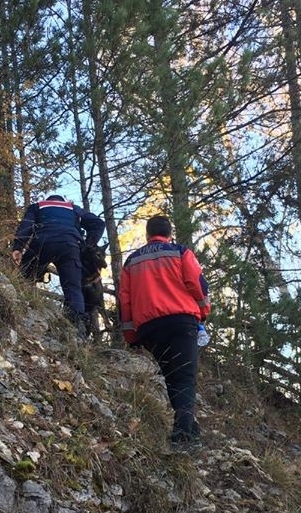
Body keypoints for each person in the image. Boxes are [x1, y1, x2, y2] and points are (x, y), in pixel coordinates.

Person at [119, 214, 210, 452]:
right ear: (169, 234)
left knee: (171, 376)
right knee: (185, 377)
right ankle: (183, 435)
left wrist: (131, 336)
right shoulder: (180, 252)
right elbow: (197, 284)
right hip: (182, 321)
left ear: (148, 235)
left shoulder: (131, 262)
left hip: (150, 329)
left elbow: (125, 303)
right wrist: (203, 311)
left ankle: (189, 428)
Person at [12, 194, 105, 332]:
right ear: (62, 202)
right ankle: (77, 328)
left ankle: (17, 307)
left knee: (23, 275)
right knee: (73, 287)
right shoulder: (73, 208)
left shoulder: (38, 206)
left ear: (48, 200)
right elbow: (98, 224)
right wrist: (88, 244)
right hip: (71, 246)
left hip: (42, 242)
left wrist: (18, 248)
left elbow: (26, 226)